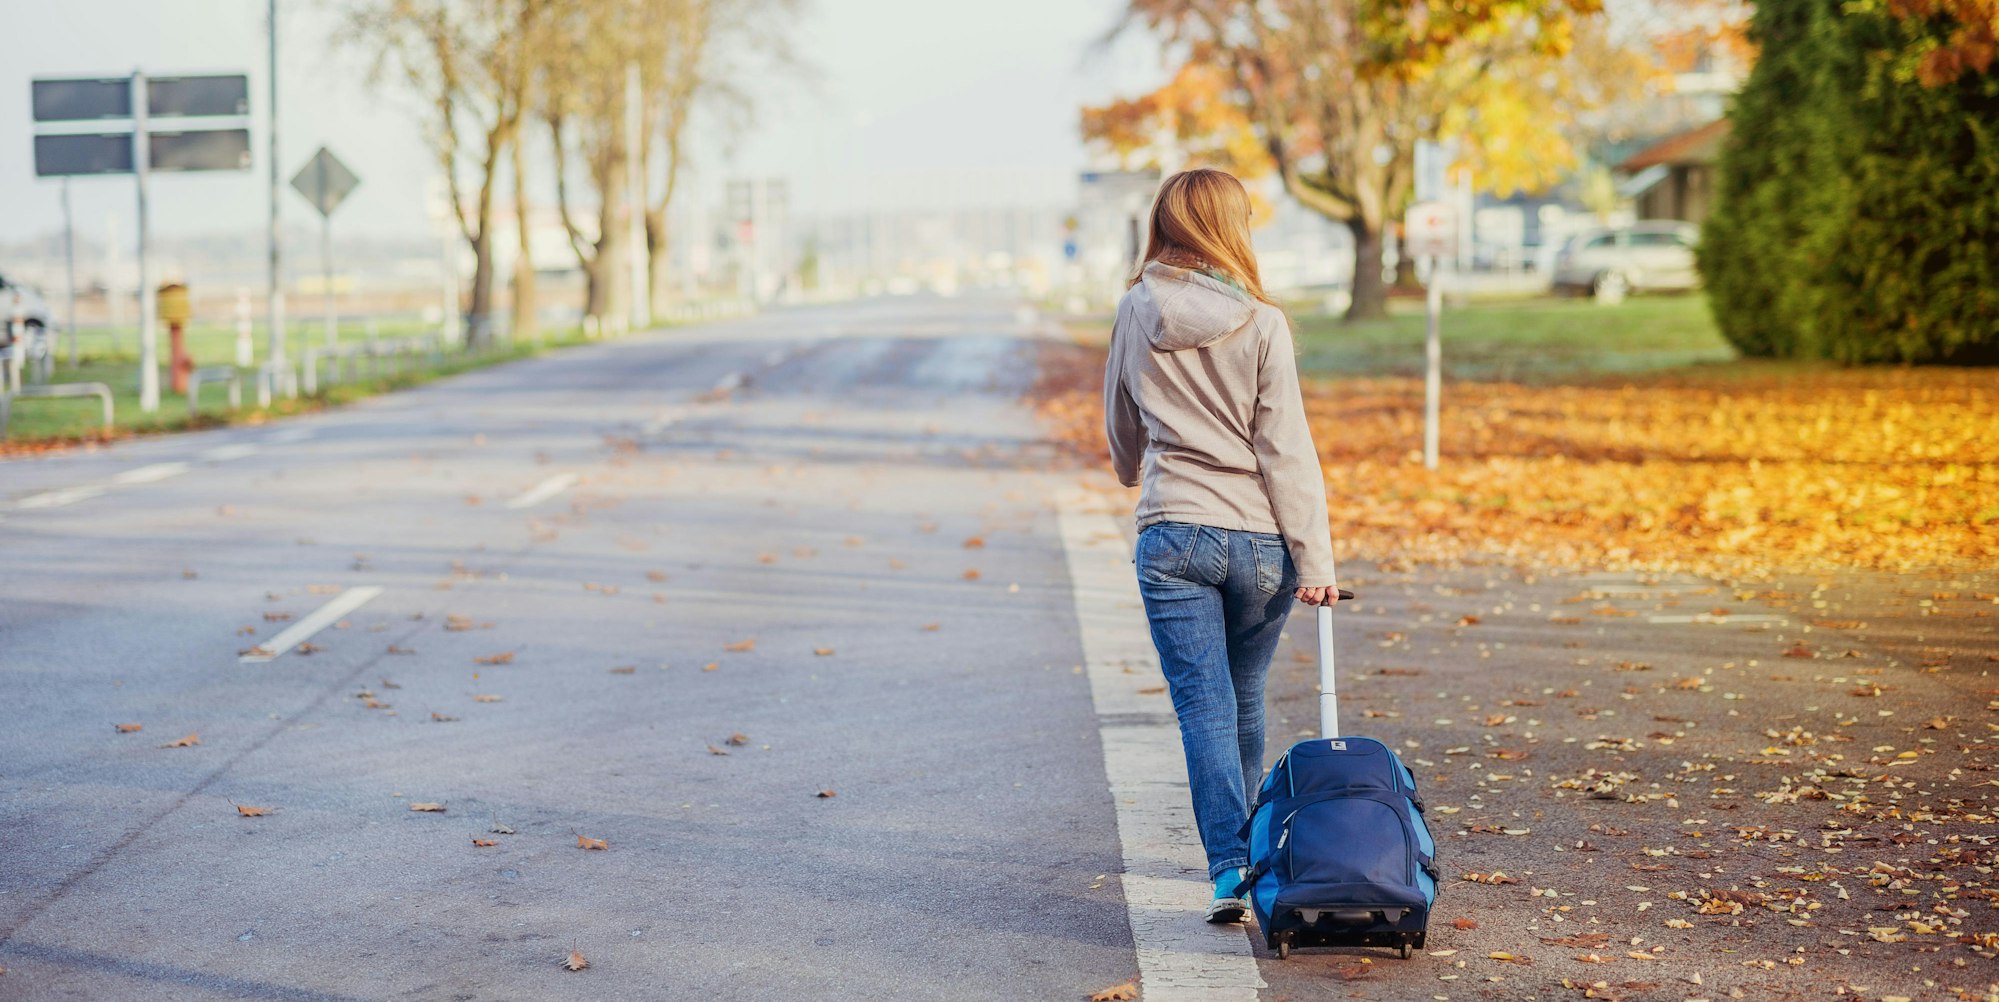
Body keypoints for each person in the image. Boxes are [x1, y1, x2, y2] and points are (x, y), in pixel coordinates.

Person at [1102, 168, 1339, 924]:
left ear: (1164, 223)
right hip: (1262, 542)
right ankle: (1245, 856)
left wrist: (1130, 467)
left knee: (1203, 707)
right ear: (1230, 227)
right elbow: (1286, 450)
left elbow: (1119, 417)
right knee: (1242, 700)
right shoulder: (1263, 321)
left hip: (1173, 531)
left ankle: (1228, 866)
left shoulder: (1136, 309)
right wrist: (1318, 560)